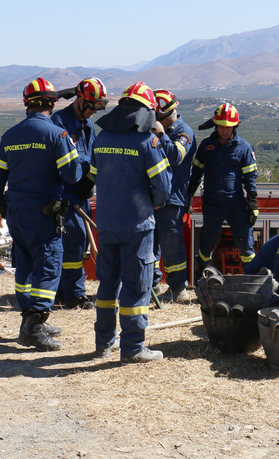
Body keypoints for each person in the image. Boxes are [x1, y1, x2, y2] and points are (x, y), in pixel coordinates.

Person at [0, 78, 84, 351]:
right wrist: (72, 150)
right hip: (44, 213)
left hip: (16, 212)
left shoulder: (10, 136)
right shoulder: (57, 135)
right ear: (51, 104)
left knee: (26, 267)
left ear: (27, 104)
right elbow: (72, 175)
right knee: (49, 266)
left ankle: (28, 320)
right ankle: (34, 326)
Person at [86, 82, 173, 363]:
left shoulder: (102, 139)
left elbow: (94, 177)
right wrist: (154, 202)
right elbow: (162, 187)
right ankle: (133, 348)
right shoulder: (148, 142)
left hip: (107, 225)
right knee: (136, 287)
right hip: (137, 227)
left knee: (107, 286)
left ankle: (103, 344)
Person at [51, 77, 108, 310]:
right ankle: (72, 294)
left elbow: (92, 156)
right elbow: (66, 162)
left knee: (82, 243)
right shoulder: (59, 122)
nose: (94, 111)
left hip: (81, 192)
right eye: (92, 106)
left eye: (98, 107)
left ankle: (68, 291)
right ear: (81, 100)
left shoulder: (88, 125)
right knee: (72, 242)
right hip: (65, 193)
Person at [187, 103, 258, 277]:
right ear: (215, 125)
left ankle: (251, 279)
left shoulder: (244, 148)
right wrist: (188, 197)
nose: (224, 131)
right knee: (208, 242)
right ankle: (201, 273)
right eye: (220, 126)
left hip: (236, 204)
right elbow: (196, 173)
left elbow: (250, 178)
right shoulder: (206, 146)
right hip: (212, 204)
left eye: (227, 127)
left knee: (245, 242)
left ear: (235, 125)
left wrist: (253, 203)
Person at [150, 89, 198, 303]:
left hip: (172, 198)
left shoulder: (183, 132)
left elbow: (176, 157)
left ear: (163, 115)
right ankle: (151, 285)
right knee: (151, 244)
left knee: (171, 244)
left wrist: (160, 134)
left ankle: (178, 288)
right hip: (153, 196)